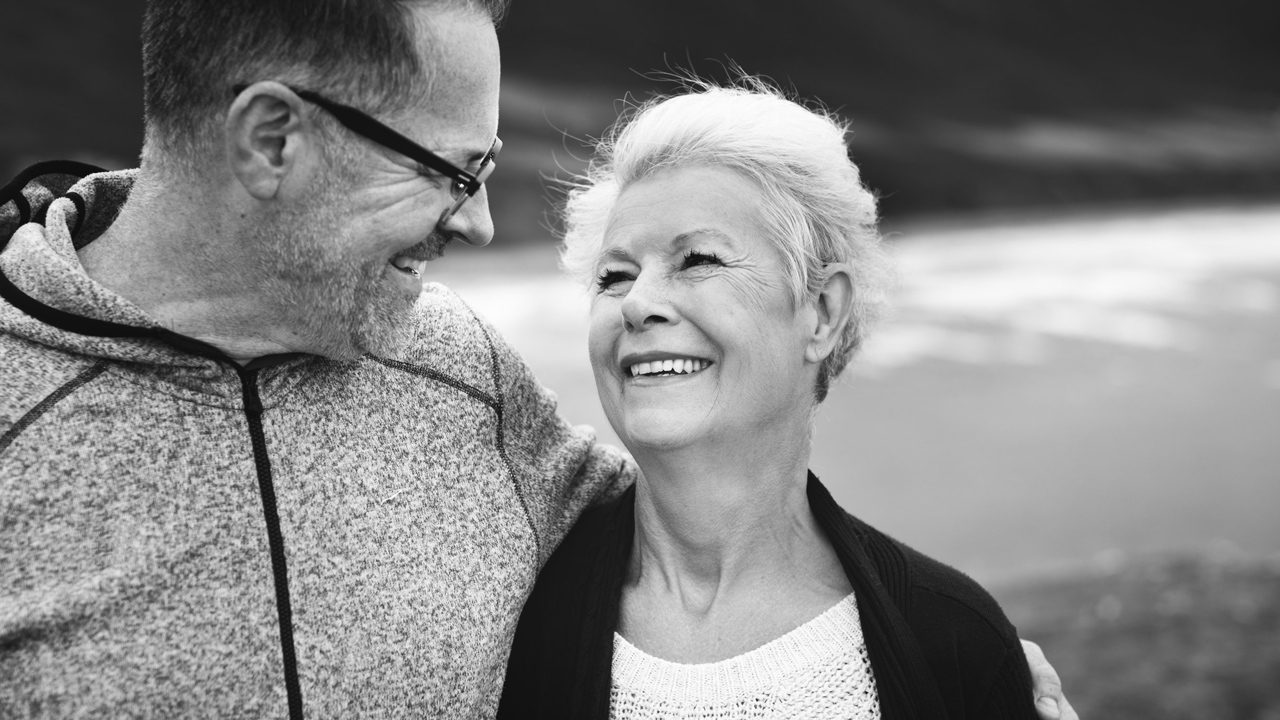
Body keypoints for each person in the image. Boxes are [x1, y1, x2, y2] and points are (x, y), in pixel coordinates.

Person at [0, 2, 1074, 718]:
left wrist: (942, 652)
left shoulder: (456, 366)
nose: (471, 230)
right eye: (452, 171)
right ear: (274, 139)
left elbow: (688, 500)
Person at [499, 80, 1063, 719]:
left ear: (822, 312)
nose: (635, 302)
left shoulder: (954, 641)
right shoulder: (510, 613)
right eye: (614, 276)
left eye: (698, 260)